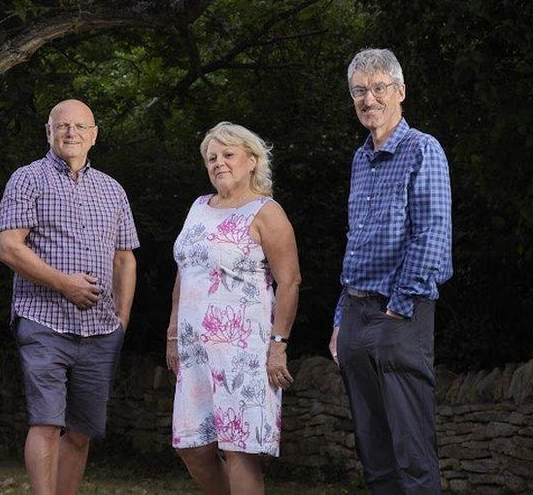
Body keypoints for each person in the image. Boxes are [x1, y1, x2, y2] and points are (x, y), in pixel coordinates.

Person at [0, 99, 139, 495]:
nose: (70, 133)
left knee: (80, 431)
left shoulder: (112, 189)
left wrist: (122, 319)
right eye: (62, 126)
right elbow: (9, 247)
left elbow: (125, 259)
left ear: (93, 135)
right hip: (44, 321)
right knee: (45, 422)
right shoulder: (28, 179)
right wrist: (64, 284)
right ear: (49, 132)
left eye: (80, 126)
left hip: (100, 330)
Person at [327, 48, 452, 494]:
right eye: (359, 91)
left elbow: (433, 234)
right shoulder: (361, 159)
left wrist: (397, 310)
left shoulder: (423, 149)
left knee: (412, 453)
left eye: (379, 87)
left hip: (400, 314)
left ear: (400, 91)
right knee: (373, 450)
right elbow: (355, 243)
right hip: (357, 313)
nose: (368, 98)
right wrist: (343, 318)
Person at [166, 122, 301, 494]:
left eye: (228, 154)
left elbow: (290, 282)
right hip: (195, 351)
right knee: (191, 446)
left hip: (244, 351)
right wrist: (172, 333)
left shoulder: (266, 212)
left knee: (238, 447)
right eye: (212, 157)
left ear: (252, 160)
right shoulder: (197, 208)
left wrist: (278, 345)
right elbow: (185, 272)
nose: (219, 163)